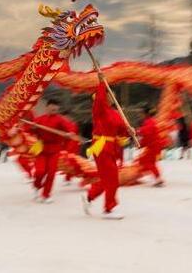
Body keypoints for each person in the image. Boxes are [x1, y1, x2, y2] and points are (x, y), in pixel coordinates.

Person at [82, 74, 128, 219]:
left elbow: (121, 130)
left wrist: (130, 131)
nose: (111, 94)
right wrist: (102, 83)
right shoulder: (99, 110)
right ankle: (109, 208)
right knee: (112, 178)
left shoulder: (115, 113)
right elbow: (100, 100)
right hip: (101, 146)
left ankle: (89, 196)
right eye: (109, 93)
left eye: (111, 93)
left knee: (106, 178)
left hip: (112, 147)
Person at [31, 98, 75, 203]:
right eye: (52, 106)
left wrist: (70, 133)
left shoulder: (60, 119)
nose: (54, 108)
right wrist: (32, 127)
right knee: (40, 171)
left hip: (54, 150)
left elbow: (70, 128)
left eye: (56, 106)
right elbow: (28, 128)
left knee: (51, 173)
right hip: (41, 149)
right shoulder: (40, 119)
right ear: (47, 107)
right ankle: (37, 186)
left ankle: (46, 195)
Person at [138, 106, 165, 187]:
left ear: (145, 114)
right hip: (153, 145)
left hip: (153, 146)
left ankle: (158, 178)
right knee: (148, 162)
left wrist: (137, 131)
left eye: (141, 113)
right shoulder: (149, 121)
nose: (140, 115)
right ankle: (157, 177)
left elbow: (147, 134)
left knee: (147, 162)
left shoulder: (149, 122)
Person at [61, 110, 80, 185]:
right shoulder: (64, 125)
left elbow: (72, 135)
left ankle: (68, 178)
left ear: (69, 117)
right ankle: (70, 176)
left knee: (70, 162)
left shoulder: (72, 125)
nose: (63, 119)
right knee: (69, 162)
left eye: (64, 117)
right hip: (66, 146)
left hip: (72, 146)